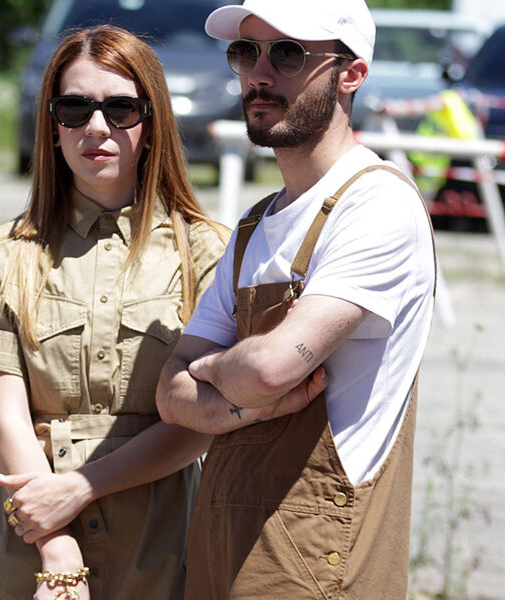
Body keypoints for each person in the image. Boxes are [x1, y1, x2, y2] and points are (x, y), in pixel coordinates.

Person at [156, 0, 436, 598]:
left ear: (351, 74)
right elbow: (169, 392)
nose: (259, 73)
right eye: (244, 52)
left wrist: (216, 375)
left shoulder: (377, 205)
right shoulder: (254, 227)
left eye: (287, 54)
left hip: (314, 564)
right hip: (222, 552)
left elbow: (269, 367)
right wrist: (249, 397)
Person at [0, 24, 229, 600]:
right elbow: (6, 415)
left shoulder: (207, 251)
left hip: (158, 540)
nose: (96, 127)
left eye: (121, 109)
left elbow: (197, 425)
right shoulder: (9, 252)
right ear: (52, 127)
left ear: (152, 125)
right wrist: (55, 543)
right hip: (28, 532)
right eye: (74, 108)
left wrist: (80, 487)